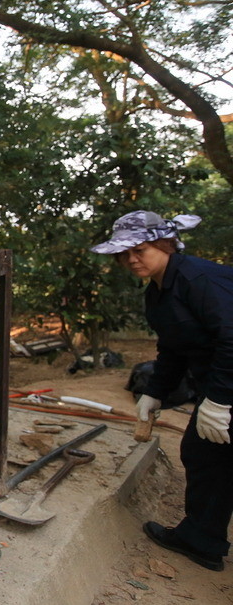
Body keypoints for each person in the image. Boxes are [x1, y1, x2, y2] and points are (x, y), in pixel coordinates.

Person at [91, 210, 232, 572]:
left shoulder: (199, 279)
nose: (132, 259)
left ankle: (201, 538)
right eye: (124, 254)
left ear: (165, 244)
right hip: (215, 381)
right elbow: (173, 348)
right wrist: (154, 393)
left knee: (208, 454)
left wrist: (219, 401)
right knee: (206, 454)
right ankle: (202, 540)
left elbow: (231, 338)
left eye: (140, 250)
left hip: (225, 382)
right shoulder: (157, 295)